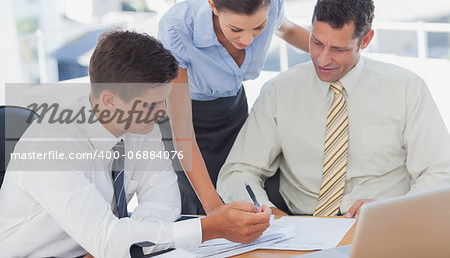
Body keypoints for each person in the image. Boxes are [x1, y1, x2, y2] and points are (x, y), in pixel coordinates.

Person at [0, 31, 271, 258]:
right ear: (109, 101)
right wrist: (208, 228)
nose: (163, 112)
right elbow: (109, 240)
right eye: (153, 105)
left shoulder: (139, 123)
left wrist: (125, 242)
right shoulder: (52, 145)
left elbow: (164, 202)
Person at [217, 0, 450, 218]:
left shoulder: (406, 89)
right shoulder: (279, 92)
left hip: (386, 224)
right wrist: (270, 215)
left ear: (366, 40)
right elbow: (237, 173)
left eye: (338, 49)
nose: (323, 59)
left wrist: (395, 212)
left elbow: (440, 171)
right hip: (301, 228)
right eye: (317, 42)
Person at [158, 0, 310, 215]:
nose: (247, 39)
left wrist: (333, 53)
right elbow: (182, 130)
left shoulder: (270, 1)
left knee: (257, 194)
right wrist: (215, 208)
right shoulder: (178, 27)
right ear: (213, 7)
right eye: (236, 29)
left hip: (233, 111)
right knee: (203, 211)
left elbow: (289, 31)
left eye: (259, 28)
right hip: (186, 123)